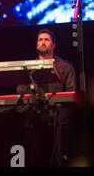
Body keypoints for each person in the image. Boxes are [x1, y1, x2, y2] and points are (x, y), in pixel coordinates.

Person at [17, 28, 77, 166]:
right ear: (36, 44)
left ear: (54, 45)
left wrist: (62, 123)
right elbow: (20, 95)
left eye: (46, 39)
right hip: (34, 124)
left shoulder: (65, 67)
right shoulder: (27, 68)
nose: (43, 42)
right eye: (40, 40)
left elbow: (71, 96)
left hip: (59, 126)